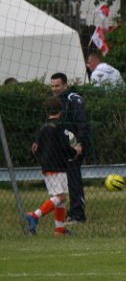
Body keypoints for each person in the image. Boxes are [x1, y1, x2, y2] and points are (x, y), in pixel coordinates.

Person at [24, 96, 82, 236]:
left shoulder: (43, 127)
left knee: (59, 197)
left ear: (46, 111)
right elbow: (64, 146)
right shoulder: (60, 126)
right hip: (57, 166)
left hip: (47, 166)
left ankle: (59, 229)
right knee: (61, 197)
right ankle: (34, 215)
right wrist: (75, 151)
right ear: (61, 110)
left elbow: (35, 148)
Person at [49, 72, 90, 224]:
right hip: (62, 148)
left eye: (57, 86)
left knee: (73, 180)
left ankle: (78, 215)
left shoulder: (73, 98)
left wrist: (79, 143)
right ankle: (69, 212)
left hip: (74, 147)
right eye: (52, 86)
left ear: (65, 85)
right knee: (63, 182)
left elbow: (82, 123)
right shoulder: (56, 102)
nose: (54, 89)